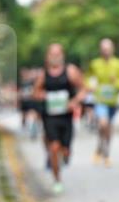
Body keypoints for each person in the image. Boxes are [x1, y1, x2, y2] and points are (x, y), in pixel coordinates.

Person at [33, 44, 87, 194]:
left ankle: (64, 155)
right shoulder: (43, 74)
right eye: (52, 54)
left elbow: (84, 89)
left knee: (65, 151)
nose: (55, 57)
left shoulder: (70, 71)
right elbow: (35, 92)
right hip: (50, 117)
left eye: (58, 54)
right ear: (47, 56)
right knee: (54, 147)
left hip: (66, 117)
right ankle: (57, 180)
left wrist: (74, 101)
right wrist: (42, 95)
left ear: (62, 55)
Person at [87, 39, 119, 166]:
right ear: (100, 50)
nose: (106, 51)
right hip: (100, 100)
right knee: (103, 124)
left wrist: (117, 83)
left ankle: (104, 150)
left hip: (113, 100)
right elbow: (88, 78)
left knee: (109, 127)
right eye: (103, 49)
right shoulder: (95, 63)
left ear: (112, 49)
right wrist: (90, 86)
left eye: (108, 48)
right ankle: (104, 151)